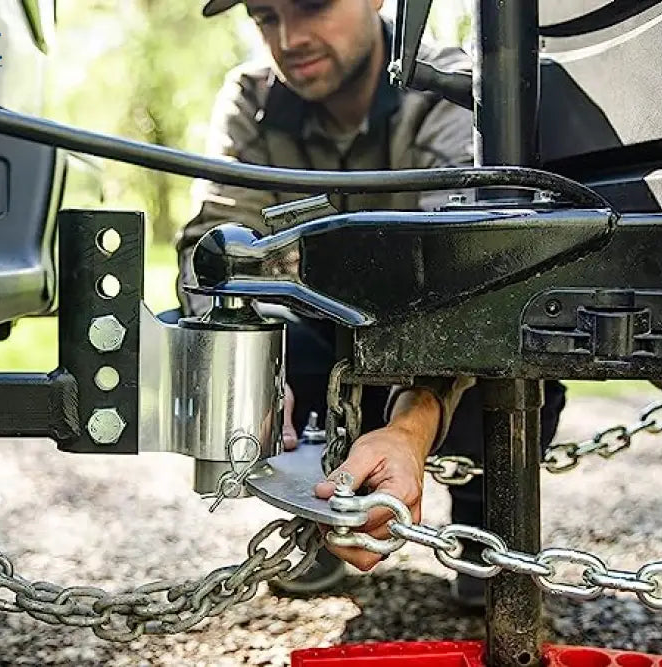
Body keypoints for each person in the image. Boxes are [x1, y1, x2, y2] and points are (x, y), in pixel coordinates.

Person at [175, 0, 566, 606]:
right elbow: (217, 250)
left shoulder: (455, 89)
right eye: (265, 15)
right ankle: (314, 521)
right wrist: (241, 366)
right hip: (316, 336)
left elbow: (474, 264)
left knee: (511, 362)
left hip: (437, 342)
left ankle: (487, 525)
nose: (290, 38)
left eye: (311, 5)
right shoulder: (251, 99)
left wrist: (409, 428)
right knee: (280, 347)